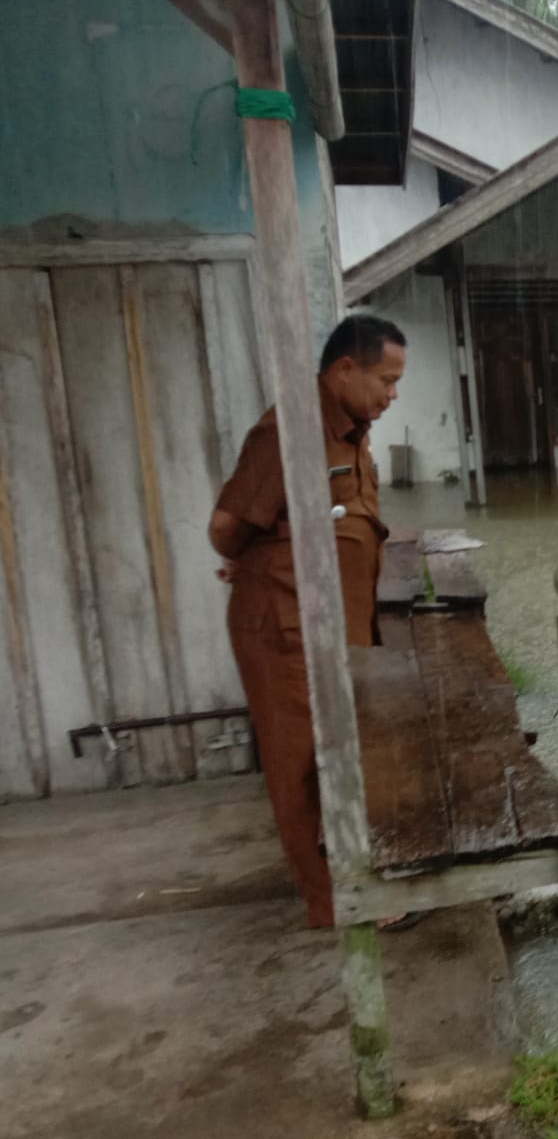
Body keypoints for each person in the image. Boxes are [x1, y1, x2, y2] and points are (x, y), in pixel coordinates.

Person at [208, 315, 405, 929]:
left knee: (344, 754)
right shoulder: (288, 433)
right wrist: (259, 558)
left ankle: (357, 876)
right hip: (285, 626)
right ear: (344, 368)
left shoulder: (353, 429)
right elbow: (225, 527)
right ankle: (338, 905)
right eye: (385, 379)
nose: (392, 394)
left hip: (332, 624)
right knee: (301, 767)